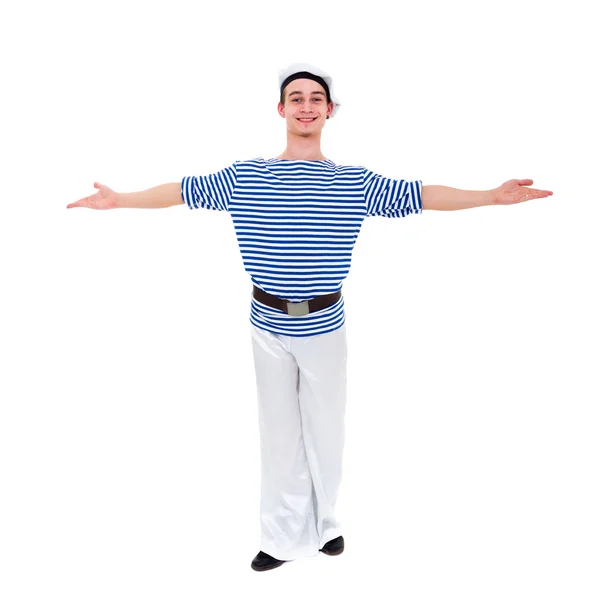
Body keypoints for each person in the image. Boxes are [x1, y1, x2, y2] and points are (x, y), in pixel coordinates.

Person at [67, 62, 553, 572]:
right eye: (295, 98)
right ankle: (278, 539)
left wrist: (491, 197)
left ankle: (328, 527)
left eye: (315, 98)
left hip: (324, 325)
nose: (305, 105)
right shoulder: (243, 176)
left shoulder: (353, 182)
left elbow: (424, 196)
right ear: (282, 110)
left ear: (329, 111)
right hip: (268, 324)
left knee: (325, 428)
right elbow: (177, 191)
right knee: (279, 433)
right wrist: (119, 199)